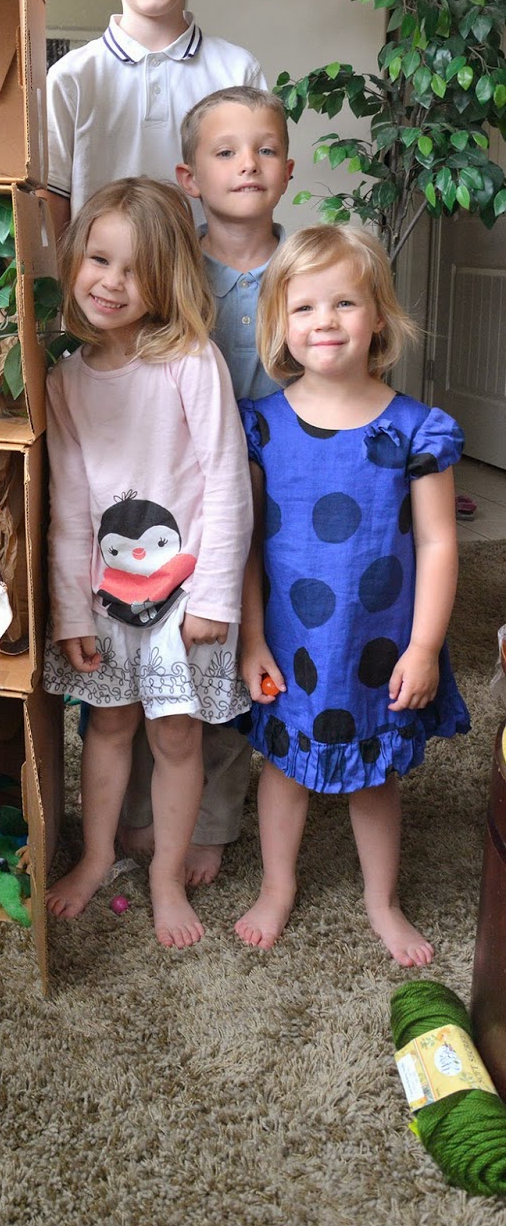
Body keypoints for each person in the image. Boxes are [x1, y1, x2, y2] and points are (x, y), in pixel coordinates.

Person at [235, 226, 469, 964]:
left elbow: (438, 543)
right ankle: (278, 886)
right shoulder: (262, 425)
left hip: (380, 643)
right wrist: (251, 640)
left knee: (376, 777)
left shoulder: (417, 430)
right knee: (284, 769)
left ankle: (381, 900)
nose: (325, 321)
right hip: (292, 644)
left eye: (344, 302)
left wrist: (425, 647)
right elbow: (246, 547)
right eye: (304, 307)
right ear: (278, 323)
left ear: (379, 316)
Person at [43, 179, 251, 948]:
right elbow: (69, 507)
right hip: (106, 597)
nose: (111, 282)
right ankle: (97, 855)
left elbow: (227, 483)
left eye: (135, 270)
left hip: (186, 598)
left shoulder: (190, 362)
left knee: (176, 739)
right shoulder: (65, 380)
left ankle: (166, 874)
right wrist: (71, 611)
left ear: (166, 282)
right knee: (107, 726)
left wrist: (215, 598)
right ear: (75, 260)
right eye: (99, 259)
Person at [115, 86, 294, 883]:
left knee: (234, 661)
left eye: (264, 149)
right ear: (190, 178)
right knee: (157, 652)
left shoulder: (305, 267)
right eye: (226, 152)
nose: (247, 164)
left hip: (280, 492)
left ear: (287, 169)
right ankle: (141, 808)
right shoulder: (170, 266)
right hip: (181, 497)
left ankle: (214, 818)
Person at [45, 0, 265, 234]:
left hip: (207, 275)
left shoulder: (238, 71)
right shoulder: (71, 77)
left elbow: (253, 197)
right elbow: (52, 209)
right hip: (99, 274)